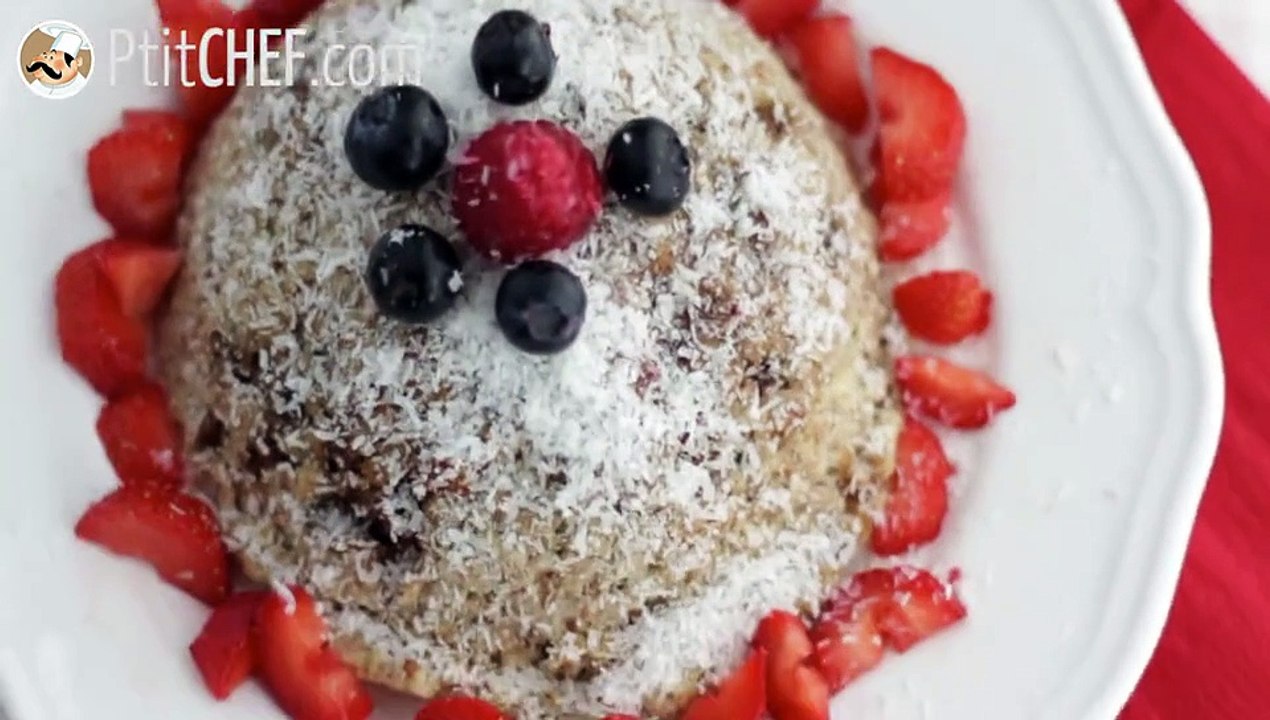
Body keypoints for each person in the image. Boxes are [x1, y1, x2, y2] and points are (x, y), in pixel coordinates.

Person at [25, 25, 90, 99]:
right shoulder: (35, 87)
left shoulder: (82, 88)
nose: (45, 62)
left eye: (52, 58)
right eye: (45, 56)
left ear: (78, 62)